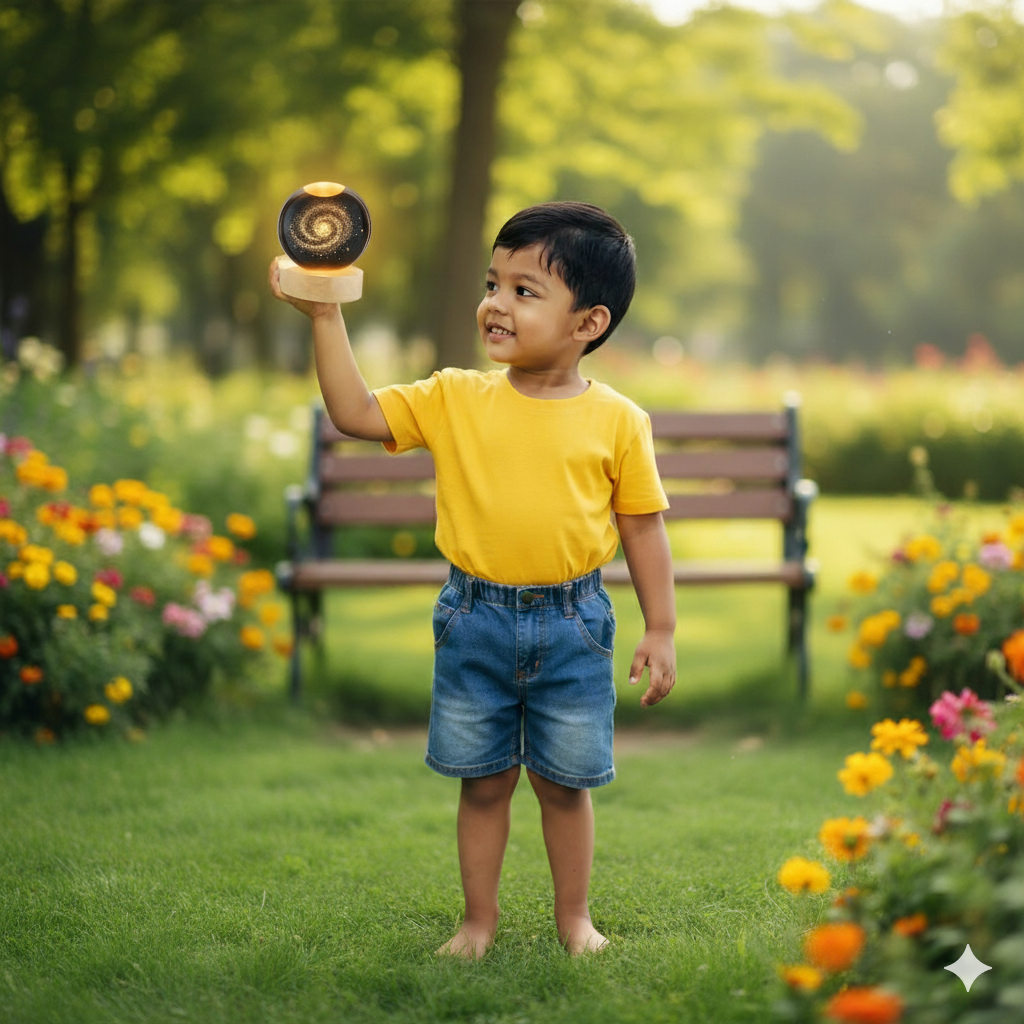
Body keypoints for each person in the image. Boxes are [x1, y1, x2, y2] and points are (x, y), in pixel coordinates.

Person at [269, 201, 676, 958]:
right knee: (483, 781)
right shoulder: (455, 396)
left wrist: (661, 627)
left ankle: (574, 920)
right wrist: (325, 313)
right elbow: (355, 412)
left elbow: (643, 527)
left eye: (525, 291)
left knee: (564, 785)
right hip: (473, 619)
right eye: (493, 283)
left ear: (588, 322)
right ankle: (477, 924)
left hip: (575, 624)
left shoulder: (620, 420)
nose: (496, 303)